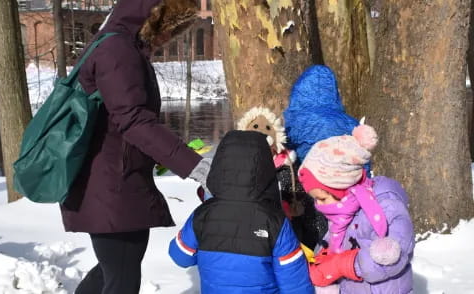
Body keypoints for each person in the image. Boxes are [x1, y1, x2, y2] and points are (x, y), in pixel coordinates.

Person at [61, 0, 211, 294]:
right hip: (112, 185)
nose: (169, 36)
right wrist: (196, 167)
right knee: (121, 277)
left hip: (111, 181)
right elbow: (133, 121)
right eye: (167, 26)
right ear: (150, 17)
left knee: (113, 270)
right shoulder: (118, 50)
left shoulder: (116, 45)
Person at [169, 130, 314, 294]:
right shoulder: (275, 219)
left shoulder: (203, 214)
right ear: (265, 168)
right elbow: (295, 282)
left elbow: (179, 256)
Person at [298, 124, 415, 293]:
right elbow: (333, 244)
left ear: (340, 186)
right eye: (315, 200)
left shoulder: (385, 206)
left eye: (322, 198)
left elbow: (392, 259)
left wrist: (341, 264)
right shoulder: (341, 214)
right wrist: (322, 262)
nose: (319, 206)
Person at [283, 64, 371, 250]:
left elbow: (286, 151)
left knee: (313, 226)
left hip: (310, 184)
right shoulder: (349, 123)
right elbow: (363, 159)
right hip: (344, 188)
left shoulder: (294, 123)